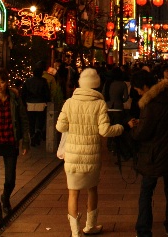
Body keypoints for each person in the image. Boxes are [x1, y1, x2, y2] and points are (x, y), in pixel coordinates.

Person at [56, 68, 124, 237]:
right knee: (92, 190)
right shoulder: (99, 104)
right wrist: (121, 128)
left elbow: (60, 127)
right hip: (91, 154)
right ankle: (90, 226)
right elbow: (105, 131)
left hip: (72, 154)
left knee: (73, 192)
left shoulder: (69, 103)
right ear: (96, 86)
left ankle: (75, 232)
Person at [127, 69, 168, 237]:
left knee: (146, 190)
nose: (138, 92)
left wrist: (133, 129)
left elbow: (142, 133)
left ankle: (144, 229)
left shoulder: (151, 103)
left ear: (145, 86)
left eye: (138, 89)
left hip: (154, 153)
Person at [0, 69, 29, 223]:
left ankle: (5, 197)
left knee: (10, 178)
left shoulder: (14, 98)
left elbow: (23, 119)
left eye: (2, 81)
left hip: (10, 141)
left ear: (7, 82)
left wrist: (25, 142)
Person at [22, 61, 50, 146]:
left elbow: (24, 93)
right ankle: (38, 134)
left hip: (30, 104)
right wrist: (47, 101)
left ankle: (32, 136)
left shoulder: (28, 81)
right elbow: (47, 93)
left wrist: (24, 102)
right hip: (41, 104)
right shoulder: (44, 81)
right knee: (40, 121)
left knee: (31, 122)